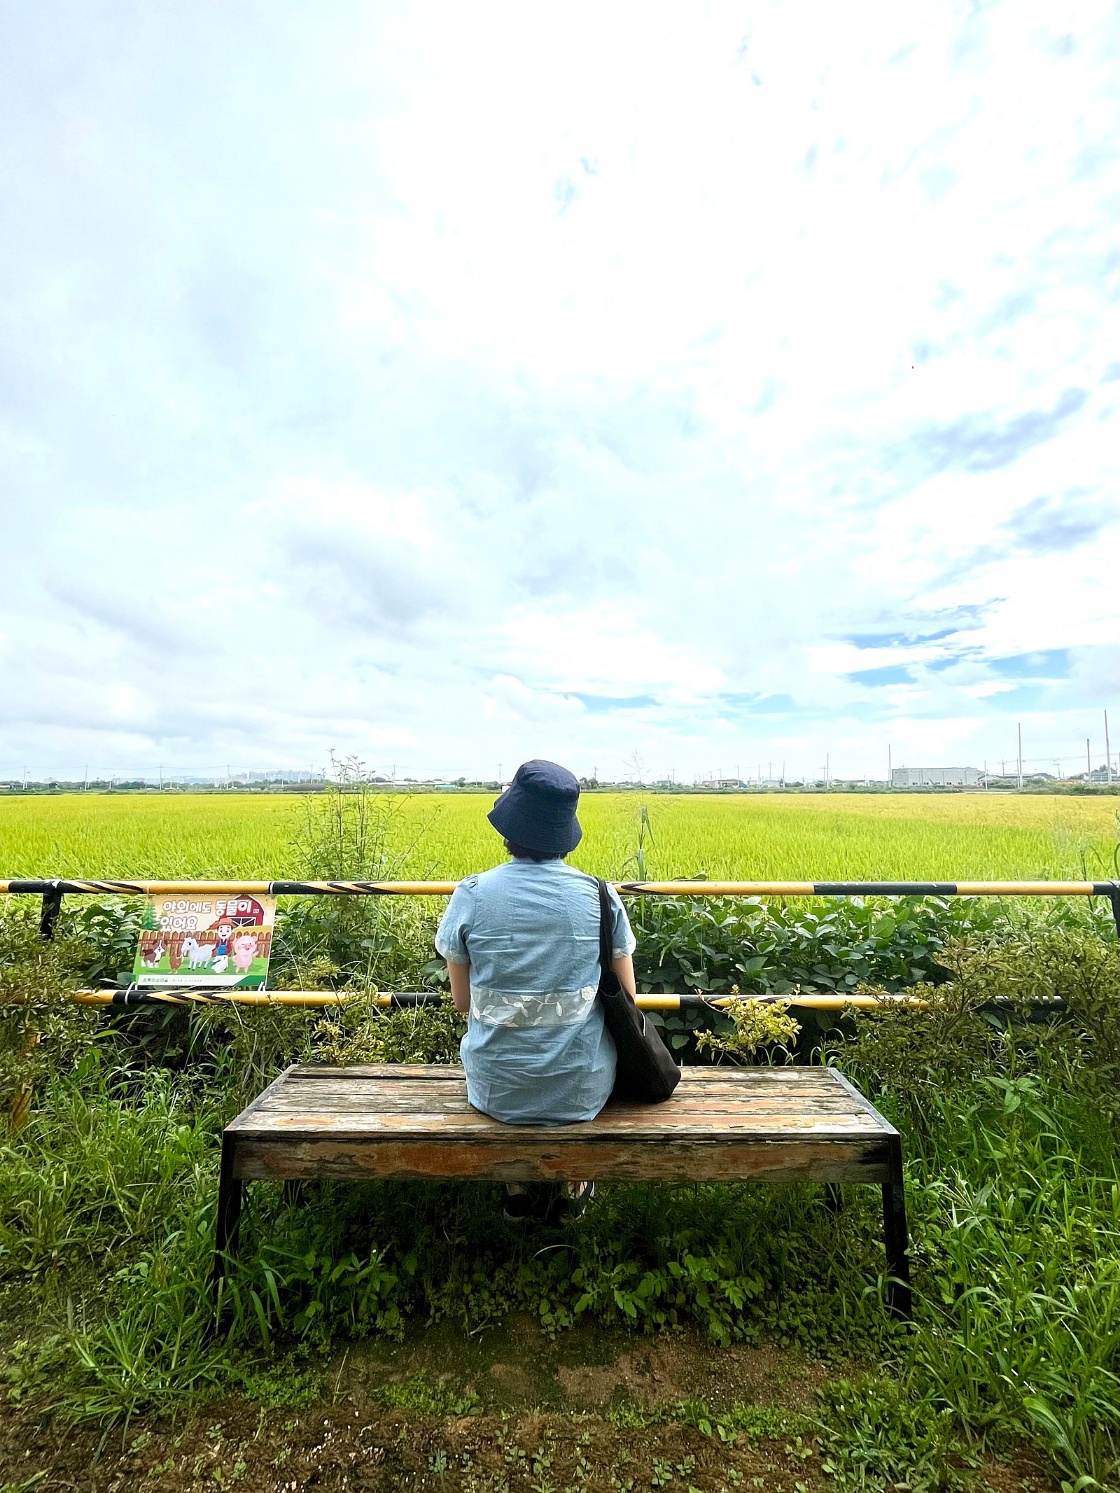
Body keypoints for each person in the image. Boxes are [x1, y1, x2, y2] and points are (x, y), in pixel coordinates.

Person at [434, 759, 638, 1220]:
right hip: (581, 1088)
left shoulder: (472, 894)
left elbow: (463, 1002)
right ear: (565, 831)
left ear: (509, 827)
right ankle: (574, 1185)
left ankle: (517, 1187)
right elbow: (628, 997)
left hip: (497, 1089)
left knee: (502, 1077)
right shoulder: (600, 895)